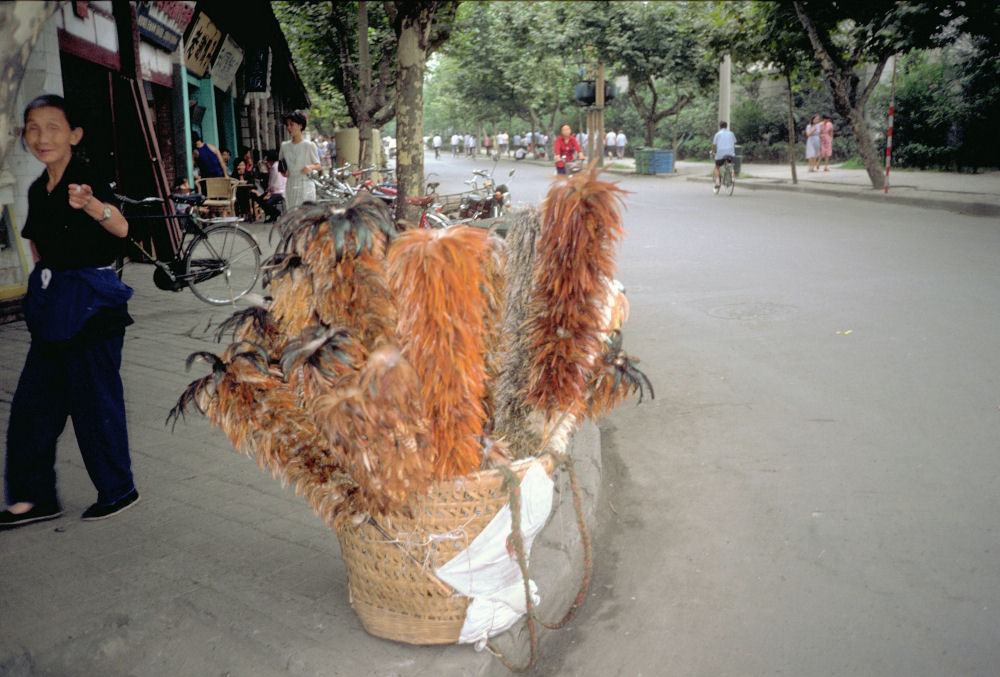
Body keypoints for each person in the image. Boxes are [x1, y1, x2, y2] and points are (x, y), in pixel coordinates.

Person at [1, 94, 139, 531]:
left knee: (94, 402)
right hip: (54, 303)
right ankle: (33, 497)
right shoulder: (36, 189)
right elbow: (37, 243)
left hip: (94, 307)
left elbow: (121, 228)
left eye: (53, 127)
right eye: (33, 127)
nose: (41, 137)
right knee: (32, 406)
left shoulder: (88, 177)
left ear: (74, 135)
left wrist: (92, 206)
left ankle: (118, 489)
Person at [278, 111, 321, 211]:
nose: (289, 128)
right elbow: (281, 164)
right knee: (292, 215)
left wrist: (310, 167)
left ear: (300, 126)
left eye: (292, 125)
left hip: (305, 185)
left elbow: (318, 166)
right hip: (291, 185)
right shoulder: (284, 146)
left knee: (305, 216)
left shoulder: (309, 145)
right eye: (287, 125)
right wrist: (284, 171)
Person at [250, 150, 286, 222]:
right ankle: (273, 214)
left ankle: (275, 213)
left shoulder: (275, 167)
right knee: (259, 198)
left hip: (278, 192)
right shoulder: (275, 166)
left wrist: (269, 194)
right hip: (276, 191)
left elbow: (275, 183)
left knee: (266, 202)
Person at [710, 120, 737, 194]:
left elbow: (714, 145)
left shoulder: (717, 134)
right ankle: (732, 174)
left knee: (717, 167)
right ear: (726, 126)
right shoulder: (731, 133)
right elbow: (734, 142)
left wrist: (712, 151)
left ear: (720, 127)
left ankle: (718, 182)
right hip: (730, 153)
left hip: (721, 154)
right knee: (729, 164)